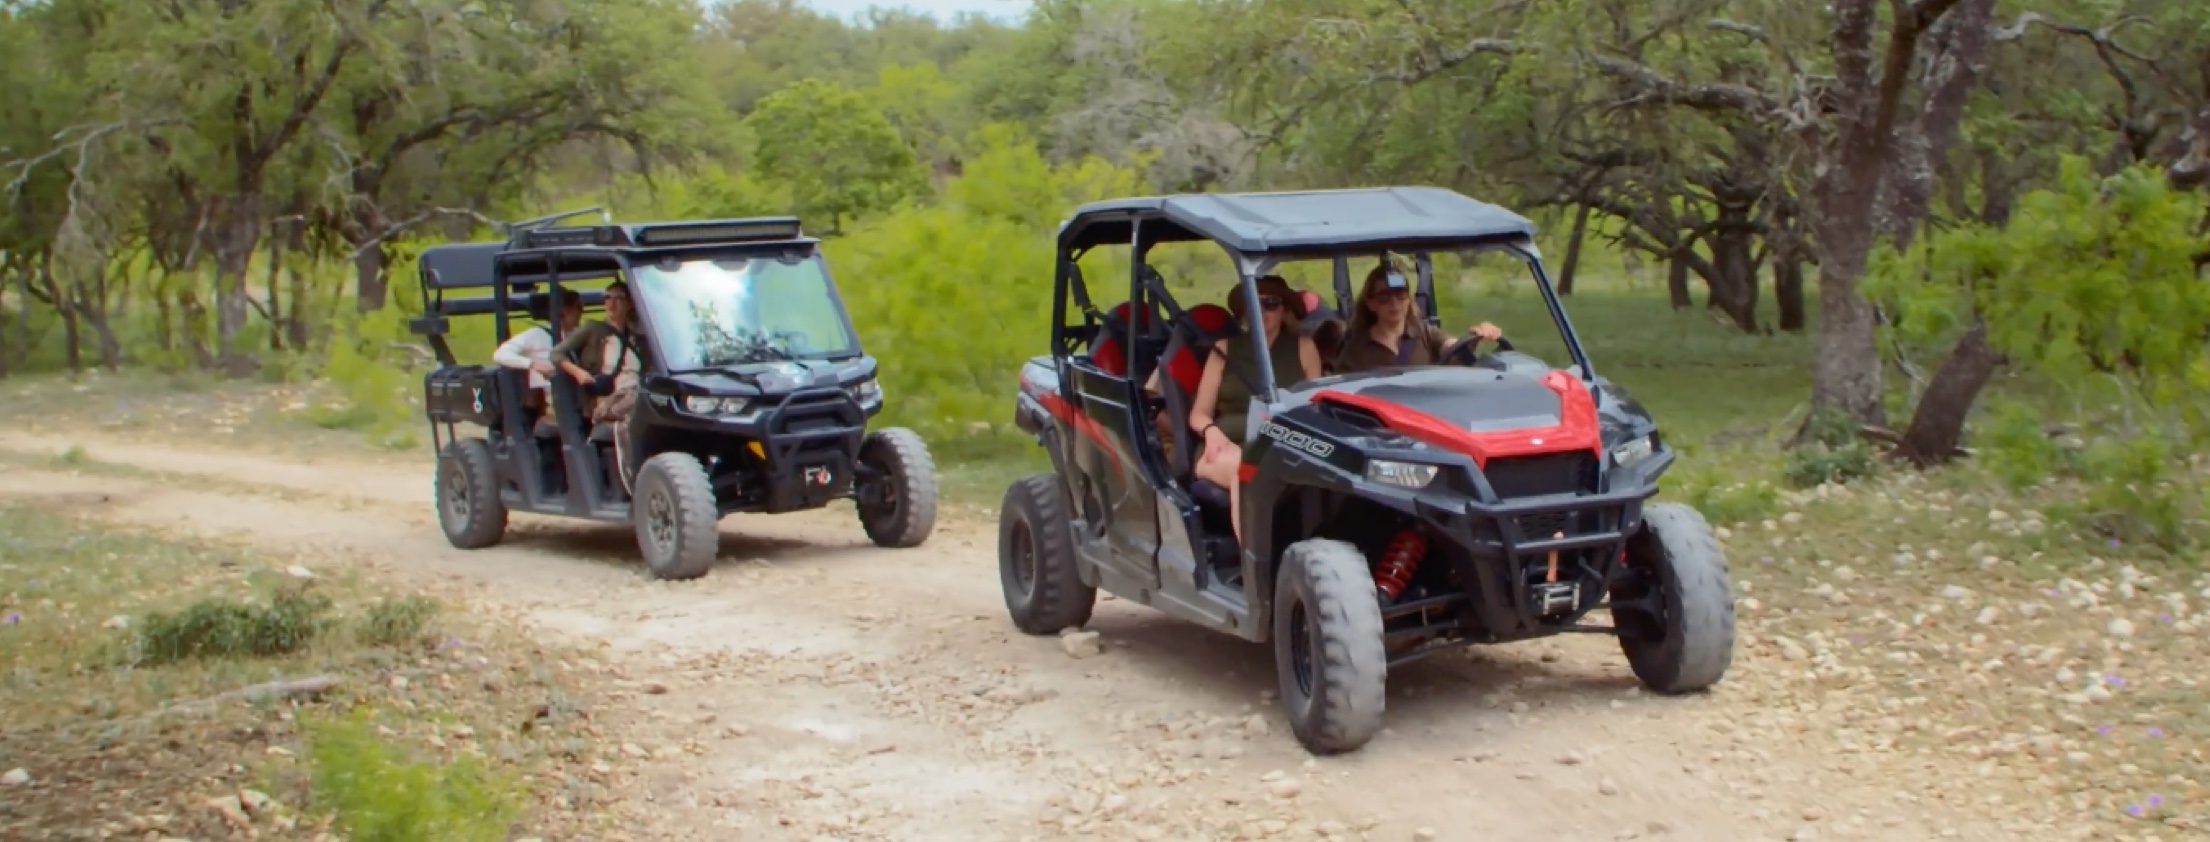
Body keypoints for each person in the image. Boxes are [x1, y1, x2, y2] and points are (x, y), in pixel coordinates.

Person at [1187, 274, 1322, 543]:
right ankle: (1254, 568)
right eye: (1254, 302)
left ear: (1284, 310)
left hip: (1284, 445)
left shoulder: (1303, 348)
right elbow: (1198, 414)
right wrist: (1211, 432)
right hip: (1225, 445)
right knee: (1247, 470)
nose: (1262, 311)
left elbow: (1317, 407)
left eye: (1271, 303)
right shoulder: (1224, 349)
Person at [553, 281, 646, 490]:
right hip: (608, 399)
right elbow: (556, 354)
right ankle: (633, 481)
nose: (611, 304)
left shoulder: (639, 337)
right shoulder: (593, 329)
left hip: (635, 392)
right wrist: (579, 373)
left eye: (618, 298)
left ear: (630, 303)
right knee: (642, 402)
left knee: (647, 399)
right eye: (607, 298)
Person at [1331, 260, 1502, 374]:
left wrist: (1475, 337)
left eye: (1401, 295)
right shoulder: (1355, 350)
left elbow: (1452, 348)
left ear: (1409, 299)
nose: (1394, 303)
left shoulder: (1425, 333)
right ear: (1371, 303)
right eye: (1384, 296)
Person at [492, 288, 584, 412]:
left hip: (572, 398)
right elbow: (500, 354)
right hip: (551, 402)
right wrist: (532, 364)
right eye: (578, 308)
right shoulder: (536, 335)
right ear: (564, 310)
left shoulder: (574, 337)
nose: (581, 313)